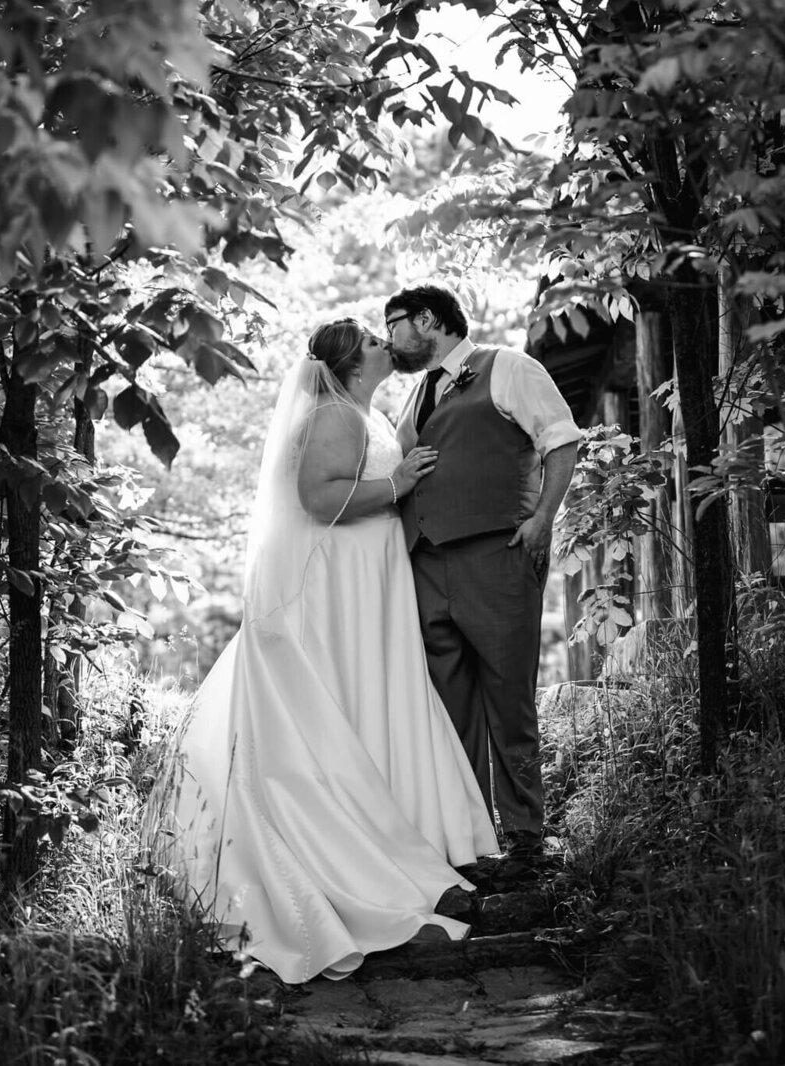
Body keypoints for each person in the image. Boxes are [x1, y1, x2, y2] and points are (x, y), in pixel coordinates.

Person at [158, 318, 499, 985]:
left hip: (362, 588)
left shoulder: (360, 414)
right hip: (330, 596)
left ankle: (397, 840)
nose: (383, 344)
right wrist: (398, 485)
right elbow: (318, 499)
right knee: (333, 714)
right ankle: (350, 859)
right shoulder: (334, 416)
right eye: (373, 340)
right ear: (349, 364)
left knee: (361, 708)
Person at [387, 284, 581, 863]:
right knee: (450, 710)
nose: (389, 339)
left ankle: (525, 837)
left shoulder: (510, 367)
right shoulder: (414, 395)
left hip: (496, 558)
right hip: (425, 566)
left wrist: (543, 518)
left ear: (427, 319)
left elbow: (560, 441)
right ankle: (470, 838)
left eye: (394, 324)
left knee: (508, 699)